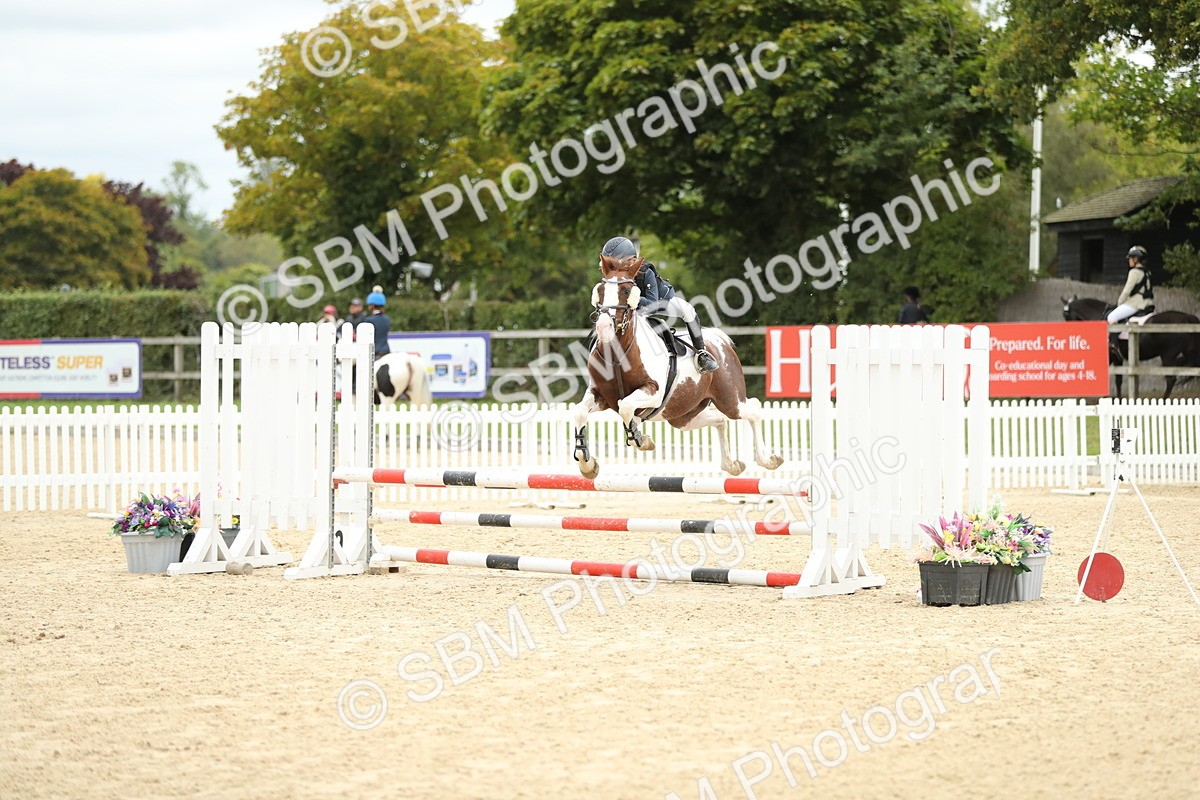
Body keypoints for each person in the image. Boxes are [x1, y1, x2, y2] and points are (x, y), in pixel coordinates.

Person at [598, 236, 719, 373]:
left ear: (629, 260)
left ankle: (701, 353)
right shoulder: (613, 277)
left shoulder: (646, 272)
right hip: (630, 309)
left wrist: (633, 298)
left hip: (661, 301)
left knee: (688, 310)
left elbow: (652, 304)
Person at [1107, 245, 1155, 324]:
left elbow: (1126, 291)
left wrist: (1119, 302)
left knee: (1111, 316)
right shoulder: (1148, 272)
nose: (1129, 260)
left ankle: (1114, 336)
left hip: (1136, 304)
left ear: (1136, 259)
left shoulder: (1134, 272)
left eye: (1131, 258)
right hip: (1149, 303)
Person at [362, 291, 391, 357]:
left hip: (375, 352)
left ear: (373, 305)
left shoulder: (369, 320)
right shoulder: (387, 319)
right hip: (386, 351)